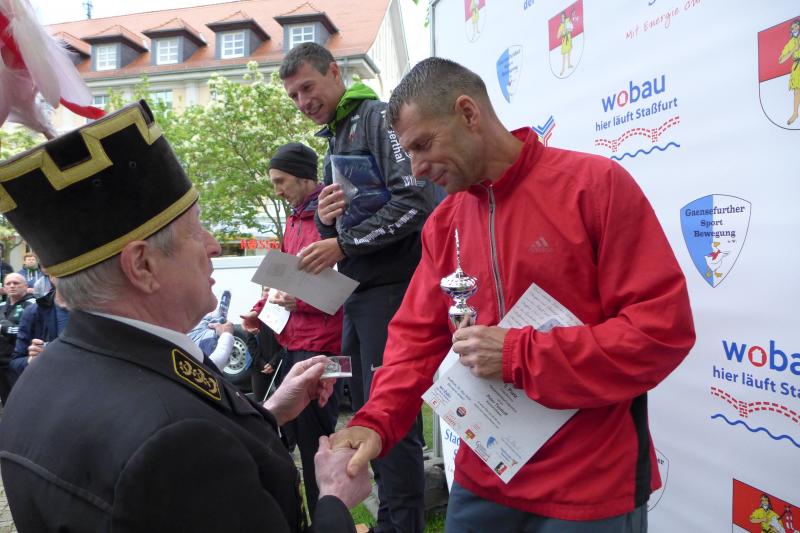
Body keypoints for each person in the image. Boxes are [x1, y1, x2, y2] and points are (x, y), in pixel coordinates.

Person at [331, 58, 696, 532]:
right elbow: (414, 339)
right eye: (408, 152)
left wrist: (518, 355)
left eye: (422, 145)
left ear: (468, 113)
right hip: (485, 476)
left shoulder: (593, 186)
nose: (417, 169)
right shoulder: (444, 223)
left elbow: (660, 331)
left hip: (588, 484)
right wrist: (375, 420)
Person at [0, 100, 369, 532]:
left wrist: (269, 413)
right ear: (142, 266)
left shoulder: (38, 382)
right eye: (195, 230)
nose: (212, 245)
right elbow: (179, 438)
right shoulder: (178, 445)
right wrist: (334, 498)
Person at [280, 42, 437, 533]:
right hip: (358, 295)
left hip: (391, 292)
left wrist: (342, 244)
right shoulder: (337, 135)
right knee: (367, 412)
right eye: (293, 96)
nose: (302, 101)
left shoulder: (376, 117)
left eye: (307, 87)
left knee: (393, 418)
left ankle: (402, 524)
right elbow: (350, 218)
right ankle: (388, 517)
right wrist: (328, 223)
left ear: (334, 72)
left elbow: (416, 202)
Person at [261, 141, 346, 515]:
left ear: (302, 176)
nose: (277, 190)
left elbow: (350, 288)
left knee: (317, 442)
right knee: (294, 435)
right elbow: (284, 278)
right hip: (293, 343)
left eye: (281, 181)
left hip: (326, 348)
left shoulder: (333, 216)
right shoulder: (294, 219)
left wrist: (302, 302)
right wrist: (260, 311)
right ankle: (308, 516)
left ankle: (328, 517)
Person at [8, 275, 69, 381]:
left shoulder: (96, 310)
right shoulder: (34, 311)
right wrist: (32, 360)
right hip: (50, 382)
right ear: (51, 277)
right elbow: (15, 362)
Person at [0, 273, 34, 404]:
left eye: (16, 283)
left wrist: (4, 328)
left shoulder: (33, 304)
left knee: (22, 401)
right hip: (2, 362)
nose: (12, 286)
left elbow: (26, 331)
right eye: (8, 284)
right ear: (4, 288)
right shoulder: (2, 305)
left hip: (20, 361)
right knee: (7, 402)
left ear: (25, 286)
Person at [778, 19, 800, 125]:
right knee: (797, 91)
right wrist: (793, 50)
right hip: (797, 67)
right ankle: (795, 113)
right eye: (792, 28)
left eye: (796, 26)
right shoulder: (791, 42)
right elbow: (781, 60)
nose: (794, 29)